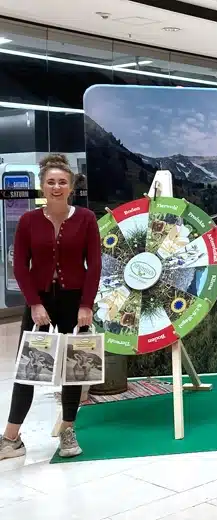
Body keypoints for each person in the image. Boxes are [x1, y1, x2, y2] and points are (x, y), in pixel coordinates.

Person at [0, 154, 102, 460]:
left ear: (70, 186)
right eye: (51, 182)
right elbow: (20, 266)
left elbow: (94, 265)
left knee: (74, 369)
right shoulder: (29, 221)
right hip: (40, 301)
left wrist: (86, 304)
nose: (56, 187)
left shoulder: (86, 218)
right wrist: (34, 303)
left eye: (62, 182)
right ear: (42, 186)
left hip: (74, 301)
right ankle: (11, 439)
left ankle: (68, 431)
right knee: (28, 368)